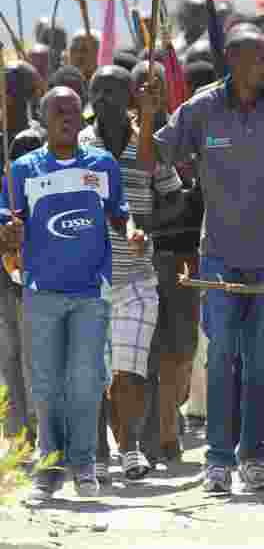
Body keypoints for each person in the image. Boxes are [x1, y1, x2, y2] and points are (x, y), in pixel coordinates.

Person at [151, 28, 264, 494]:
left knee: (258, 363)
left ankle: (253, 456)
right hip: (218, 257)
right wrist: (149, 109)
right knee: (221, 357)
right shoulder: (201, 107)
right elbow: (159, 155)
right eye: (260, 58)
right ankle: (217, 460)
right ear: (233, 59)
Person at [1, 87, 143, 502]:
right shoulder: (22, 170)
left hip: (91, 292)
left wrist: (132, 232)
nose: (66, 117)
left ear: (81, 118)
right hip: (40, 290)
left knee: (85, 380)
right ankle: (50, 468)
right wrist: (8, 234)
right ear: (41, 119)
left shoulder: (102, 165)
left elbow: (120, 213)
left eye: (71, 111)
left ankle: (84, 466)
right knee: (45, 383)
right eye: (56, 111)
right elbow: (6, 227)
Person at [81, 64, 183, 483]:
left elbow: (176, 199)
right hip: (87, 279)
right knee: (94, 371)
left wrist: (146, 225)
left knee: (130, 369)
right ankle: (99, 450)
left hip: (137, 276)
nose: (105, 98)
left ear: (133, 98)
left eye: (114, 90)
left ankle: (131, 447)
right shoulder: (80, 145)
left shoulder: (148, 146)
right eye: (97, 90)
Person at [0, 63, 47, 448]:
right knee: (9, 350)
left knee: (30, 350)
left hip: (34, 260)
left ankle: (37, 427)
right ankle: (17, 433)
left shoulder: (35, 140)